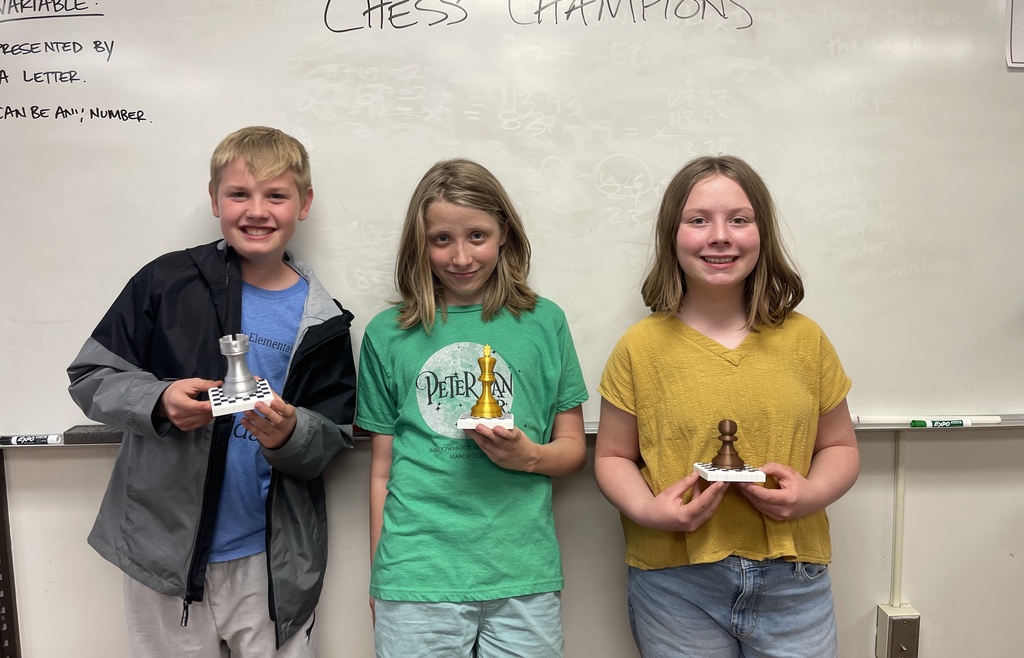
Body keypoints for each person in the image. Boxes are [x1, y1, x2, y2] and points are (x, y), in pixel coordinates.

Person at [67, 126, 357, 656]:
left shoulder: (325, 321)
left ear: (305, 203)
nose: (257, 210)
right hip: (165, 555)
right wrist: (158, 400)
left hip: (270, 560)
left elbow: (333, 436)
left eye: (276, 195)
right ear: (214, 199)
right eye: (239, 194)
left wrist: (291, 434)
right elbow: (91, 377)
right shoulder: (165, 281)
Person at [594, 155, 859, 658]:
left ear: (762, 233)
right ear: (672, 235)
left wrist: (812, 493)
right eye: (698, 220)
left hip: (793, 579)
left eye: (739, 219)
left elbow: (840, 446)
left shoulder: (806, 340)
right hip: (674, 582)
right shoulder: (639, 347)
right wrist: (645, 509)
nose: (720, 236)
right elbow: (611, 457)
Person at [356, 158, 588, 658]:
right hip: (416, 572)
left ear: (504, 232)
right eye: (442, 239)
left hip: (522, 572)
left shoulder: (544, 323)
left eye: (477, 236)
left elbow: (572, 450)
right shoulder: (386, 332)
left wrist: (528, 456)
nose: (460, 257)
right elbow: (381, 471)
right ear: (420, 241)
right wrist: (382, 574)